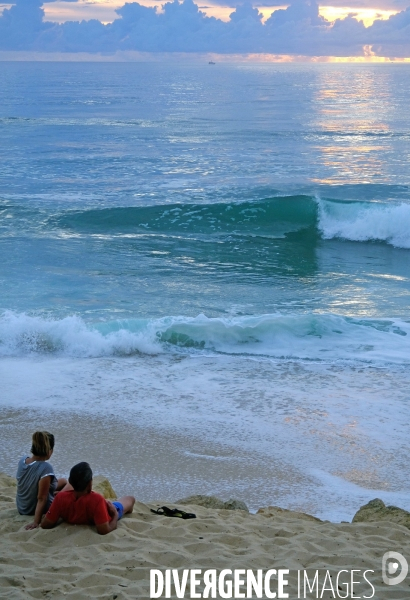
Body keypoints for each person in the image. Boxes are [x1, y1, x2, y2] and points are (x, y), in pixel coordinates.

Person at [41, 462, 135, 535]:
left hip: (83, 508)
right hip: (105, 512)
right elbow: (105, 530)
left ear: (70, 481)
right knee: (130, 499)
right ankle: (126, 511)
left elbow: (45, 524)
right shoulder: (97, 499)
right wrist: (114, 514)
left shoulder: (60, 498)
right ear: (90, 484)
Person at [16, 431, 68, 530]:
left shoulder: (23, 460)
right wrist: (36, 522)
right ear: (49, 451)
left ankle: (55, 493)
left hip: (22, 507)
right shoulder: (45, 468)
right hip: (32, 509)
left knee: (64, 481)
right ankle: (56, 496)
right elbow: (41, 498)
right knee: (72, 485)